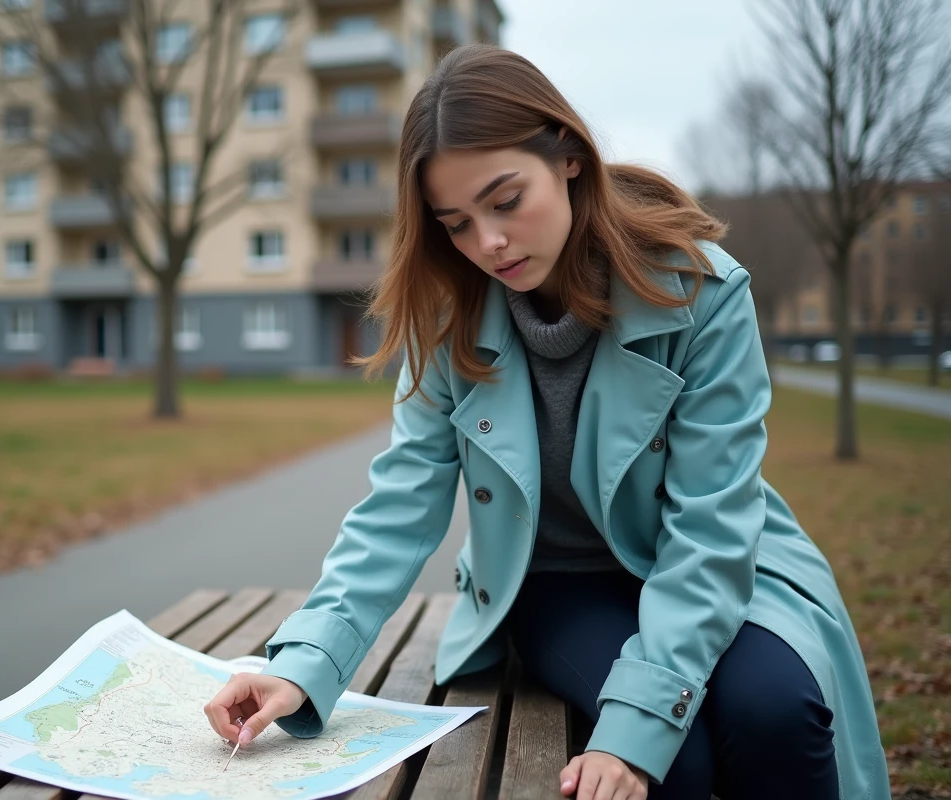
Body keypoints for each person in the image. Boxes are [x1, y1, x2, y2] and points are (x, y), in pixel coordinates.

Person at [203, 44, 889, 800]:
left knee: (775, 713)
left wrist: (637, 724)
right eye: (456, 223)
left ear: (567, 156)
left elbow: (712, 527)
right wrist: (302, 665)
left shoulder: (701, 294)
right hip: (560, 586)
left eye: (504, 200)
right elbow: (397, 509)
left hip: (718, 565)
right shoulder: (446, 320)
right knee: (676, 754)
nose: (487, 244)